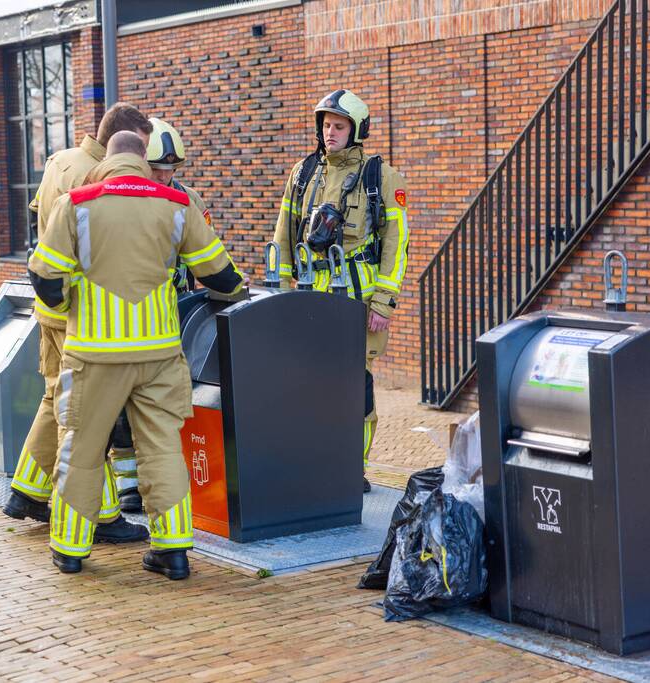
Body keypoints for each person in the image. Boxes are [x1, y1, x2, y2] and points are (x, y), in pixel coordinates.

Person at [29, 131, 244, 579]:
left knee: (82, 449)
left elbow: (45, 276)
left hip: (95, 355)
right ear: (144, 160)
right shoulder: (176, 205)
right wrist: (239, 294)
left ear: (106, 158)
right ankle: (173, 550)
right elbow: (221, 276)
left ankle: (70, 550)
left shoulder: (76, 204)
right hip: (159, 354)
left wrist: (71, 306)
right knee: (162, 448)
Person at [3, 104, 152, 544]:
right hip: (82, 316)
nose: (142, 158)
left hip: (50, 309)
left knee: (55, 398)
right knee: (90, 417)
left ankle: (27, 491)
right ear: (119, 140)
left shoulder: (60, 161)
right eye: (140, 147)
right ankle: (102, 516)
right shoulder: (98, 177)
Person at [271, 90, 410, 492]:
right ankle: (316, 460)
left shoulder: (381, 178)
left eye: (339, 126)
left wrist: (383, 302)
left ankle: (352, 467)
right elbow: (283, 235)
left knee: (354, 386)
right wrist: (279, 292)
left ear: (357, 130)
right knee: (310, 382)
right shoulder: (302, 173)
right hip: (309, 298)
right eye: (326, 125)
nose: (330, 132)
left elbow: (397, 244)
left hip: (357, 302)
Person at [107, 117, 215, 512]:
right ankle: (129, 483)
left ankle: (168, 479)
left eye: (172, 170)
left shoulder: (188, 201)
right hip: (127, 320)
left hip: (175, 317)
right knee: (122, 405)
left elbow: (209, 253)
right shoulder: (119, 201)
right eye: (157, 170)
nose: (165, 178)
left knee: (167, 403)